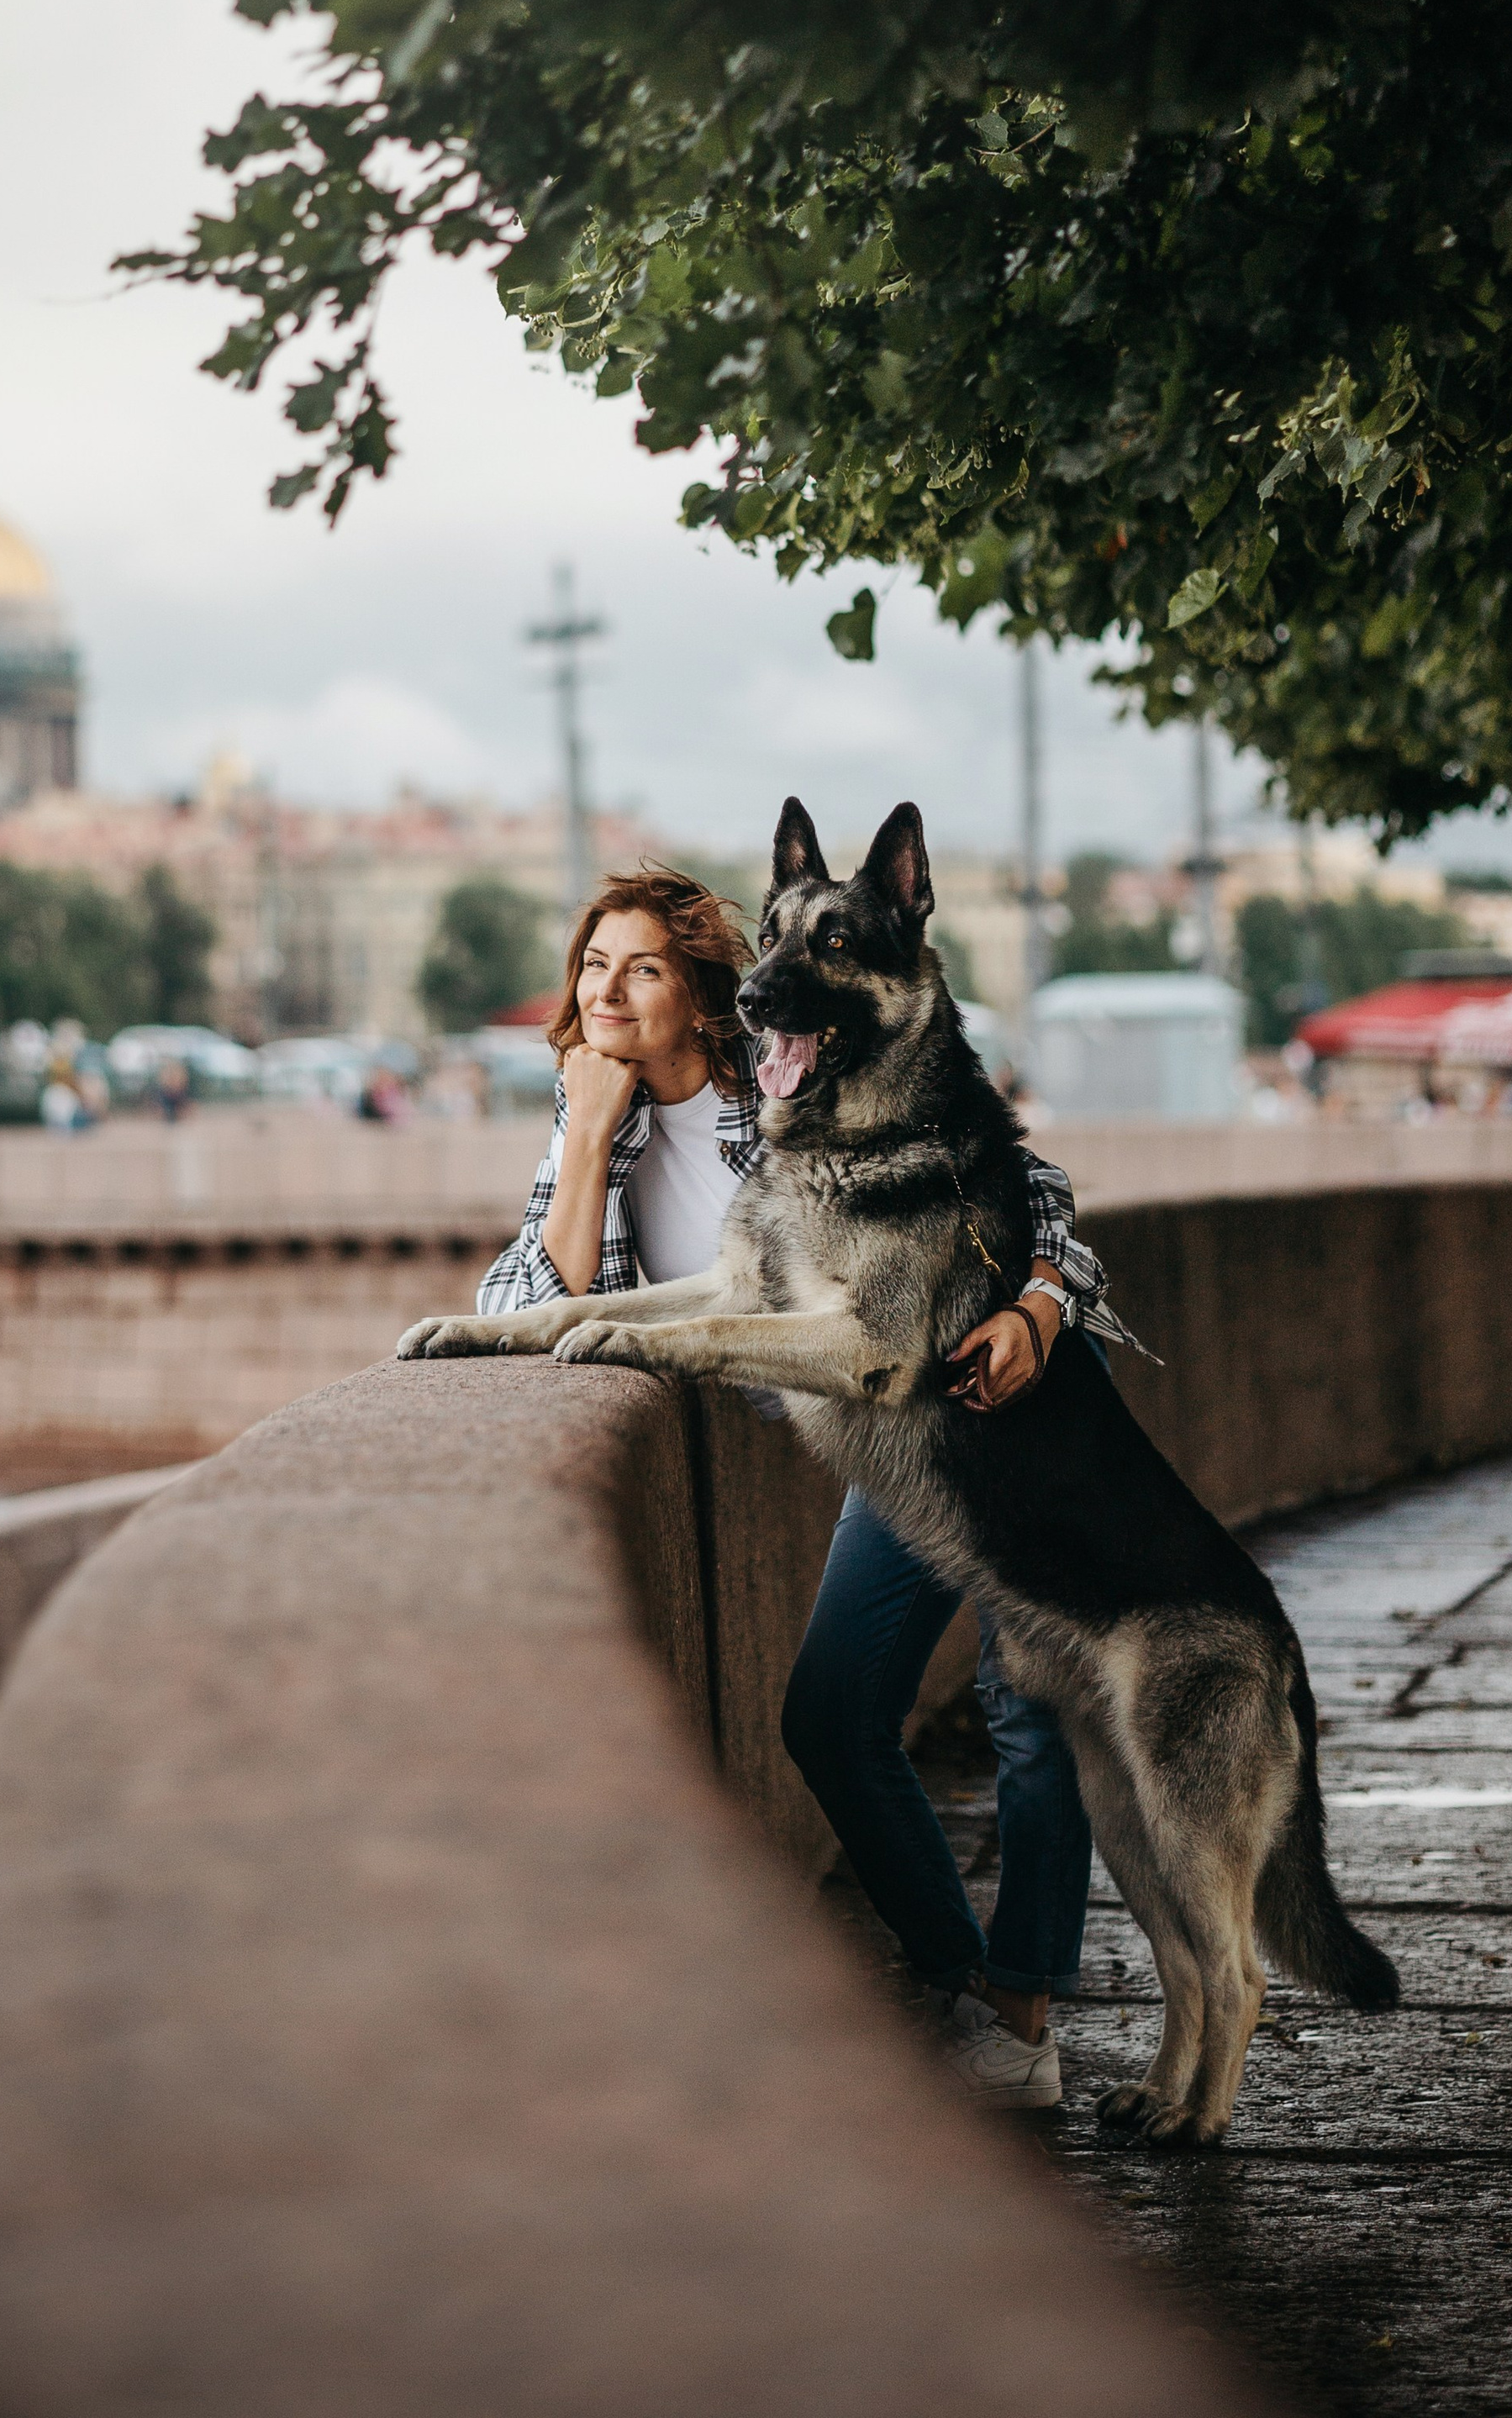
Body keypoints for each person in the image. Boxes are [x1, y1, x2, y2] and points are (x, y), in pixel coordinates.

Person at [480, 866, 1130, 2110]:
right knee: (831, 1716)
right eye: (593, 967)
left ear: (702, 992)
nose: (606, 991)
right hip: (887, 1433)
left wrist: (1046, 1310)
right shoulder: (592, 1133)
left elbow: (1032, 1190)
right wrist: (587, 1131)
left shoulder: (804, 1076)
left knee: (1029, 1705)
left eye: (643, 969)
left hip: (1013, 1387)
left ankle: (1021, 2018)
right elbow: (540, 1308)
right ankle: (959, 1982)